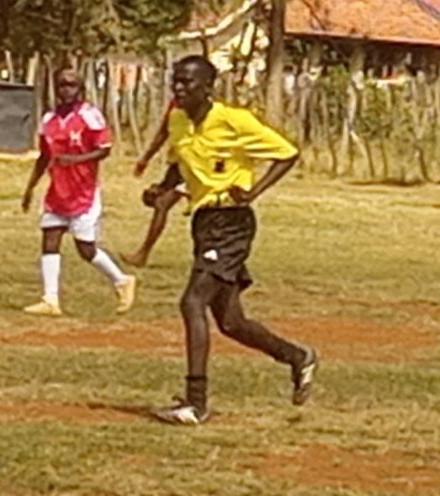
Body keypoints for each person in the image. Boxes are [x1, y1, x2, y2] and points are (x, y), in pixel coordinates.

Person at [129, 54, 318, 425]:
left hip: (231, 221)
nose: (179, 88)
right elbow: (178, 162)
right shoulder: (178, 120)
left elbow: (287, 153)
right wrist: (161, 189)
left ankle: (196, 403)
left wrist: (253, 191)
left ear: (207, 87)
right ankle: (298, 357)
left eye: (187, 81)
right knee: (231, 321)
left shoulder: (234, 120)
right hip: (204, 222)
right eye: (175, 80)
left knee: (192, 302)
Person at [18, 66, 136, 315]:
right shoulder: (49, 120)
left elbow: (104, 149)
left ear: (80, 88)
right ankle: (50, 299)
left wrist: (77, 160)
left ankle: (121, 280)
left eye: (71, 85)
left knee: (86, 249)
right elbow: (44, 156)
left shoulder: (90, 116)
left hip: (83, 192)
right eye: (62, 84)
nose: (67, 90)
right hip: (57, 192)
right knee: (50, 239)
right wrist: (30, 187)